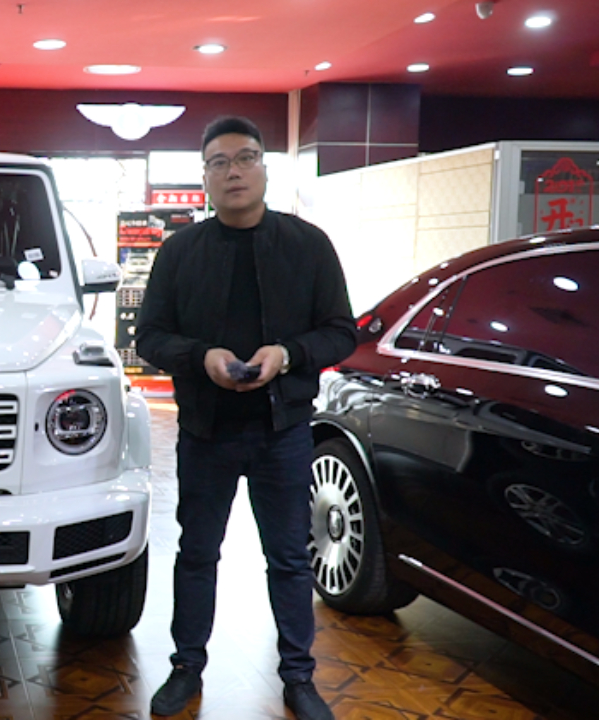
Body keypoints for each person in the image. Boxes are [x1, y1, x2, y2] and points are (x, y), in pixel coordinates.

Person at [137, 116, 358, 720]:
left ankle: (299, 677)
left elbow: (342, 331)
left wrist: (287, 354)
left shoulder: (308, 245)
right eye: (219, 162)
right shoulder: (180, 251)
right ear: (205, 177)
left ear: (264, 168)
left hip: (281, 431)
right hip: (205, 431)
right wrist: (200, 356)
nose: (233, 172)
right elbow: (149, 335)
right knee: (196, 554)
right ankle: (186, 666)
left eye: (245, 158)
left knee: (289, 557)